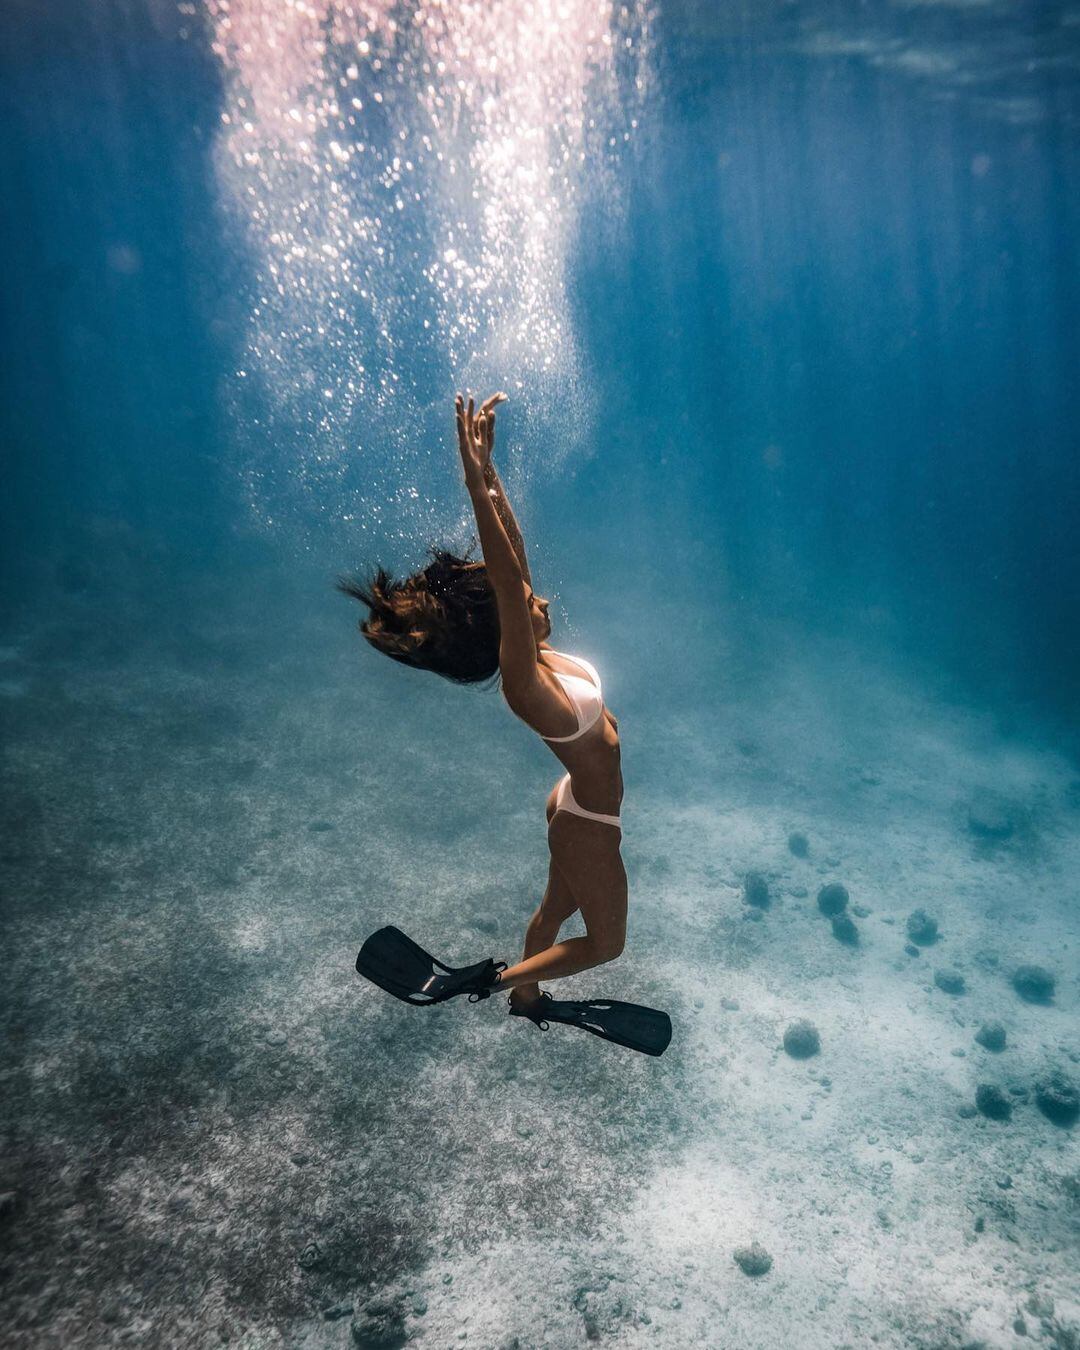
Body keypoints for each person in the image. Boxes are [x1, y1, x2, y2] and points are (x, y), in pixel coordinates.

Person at [343, 393, 666, 1054]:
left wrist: (490, 474)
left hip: (575, 805)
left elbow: (510, 559)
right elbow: (509, 576)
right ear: (509, 630)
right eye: (525, 604)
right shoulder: (525, 683)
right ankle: (492, 984)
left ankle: (527, 1001)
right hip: (589, 822)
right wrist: (471, 483)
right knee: (607, 943)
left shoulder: (539, 661)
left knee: (554, 912)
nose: (538, 597)